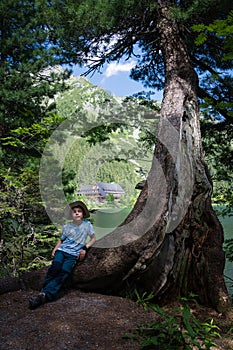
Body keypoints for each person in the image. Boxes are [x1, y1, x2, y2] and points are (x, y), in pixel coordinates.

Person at [29, 200, 96, 309]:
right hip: (62, 251)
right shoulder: (67, 226)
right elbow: (61, 241)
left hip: (73, 254)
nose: (77, 213)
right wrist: (55, 249)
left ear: (83, 214)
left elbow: (93, 238)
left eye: (79, 211)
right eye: (74, 212)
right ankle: (44, 291)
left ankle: (45, 295)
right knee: (55, 267)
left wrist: (85, 248)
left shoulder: (87, 225)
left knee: (64, 272)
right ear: (71, 215)